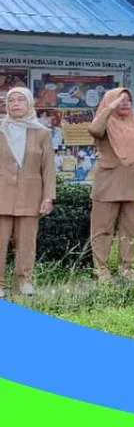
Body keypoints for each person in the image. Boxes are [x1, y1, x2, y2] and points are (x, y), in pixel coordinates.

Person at [87, 88, 134, 281]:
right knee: (102, 229)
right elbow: (93, 129)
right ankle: (101, 269)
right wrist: (109, 109)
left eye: (128, 101)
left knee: (130, 229)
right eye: (120, 100)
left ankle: (127, 268)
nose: (125, 104)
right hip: (108, 183)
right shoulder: (105, 124)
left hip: (133, 182)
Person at [0, 87, 55, 297]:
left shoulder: (42, 133)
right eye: (11, 100)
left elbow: (48, 168)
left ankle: (24, 282)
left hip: (30, 196)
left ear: (29, 104)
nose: (15, 104)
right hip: (2, 195)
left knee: (26, 243)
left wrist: (48, 196)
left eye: (20, 100)